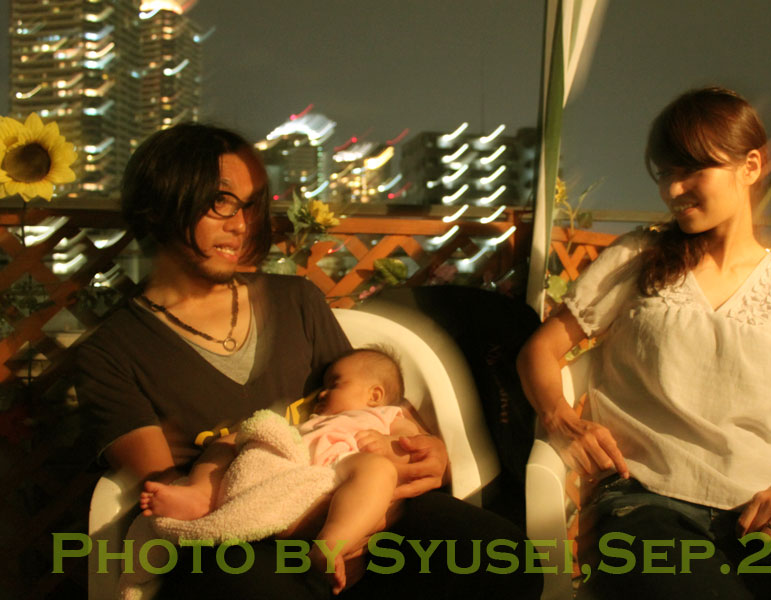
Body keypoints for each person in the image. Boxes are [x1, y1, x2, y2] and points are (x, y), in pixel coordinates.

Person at [77, 123, 541, 599]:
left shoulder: (296, 301)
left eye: (251, 205)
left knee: (503, 559)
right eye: (221, 201)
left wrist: (427, 453)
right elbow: (164, 491)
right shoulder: (111, 354)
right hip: (237, 534)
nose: (241, 224)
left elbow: (371, 405)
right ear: (161, 202)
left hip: (358, 502)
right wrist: (330, 523)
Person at [517, 87, 771, 599]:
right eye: (665, 173)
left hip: (765, 512)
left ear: (751, 166)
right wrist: (562, 419)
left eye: (692, 169)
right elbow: (540, 350)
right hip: (643, 503)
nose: (673, 189)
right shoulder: (638, 258)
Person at [140, 347, 423, 594]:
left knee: (377, 469)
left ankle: (331, 543)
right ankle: (201, 492)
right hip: (291, 473)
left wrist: (388, 442)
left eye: (335, 384)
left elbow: (412, 442)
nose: (322, 393)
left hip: (343, 473)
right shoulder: (312, 421)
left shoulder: (384, 416)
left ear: (375, 395)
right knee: (233, 439)